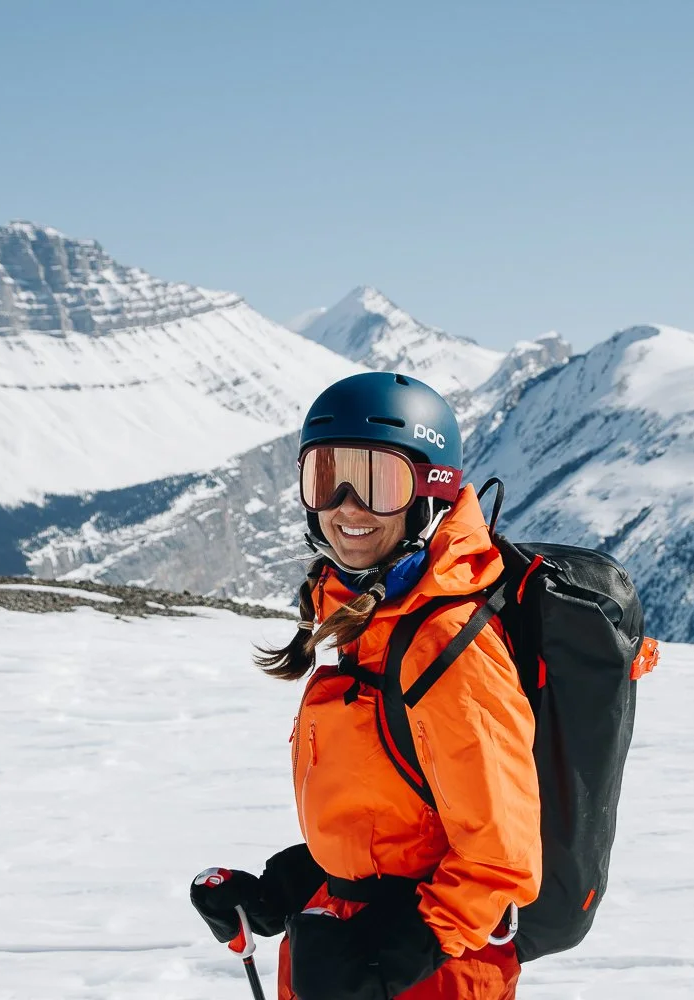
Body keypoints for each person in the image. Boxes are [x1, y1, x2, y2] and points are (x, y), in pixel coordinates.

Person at [191, 372, 542, 1000]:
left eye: (378, 481)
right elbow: (397, 815)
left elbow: (500, 854)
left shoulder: (444, 641)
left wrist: (391, 962)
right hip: (350, 947)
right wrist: (290, 886)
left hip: (435, 975)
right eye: (326, 476)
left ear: (429, 493)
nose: (347, 505)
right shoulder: (375, 620)